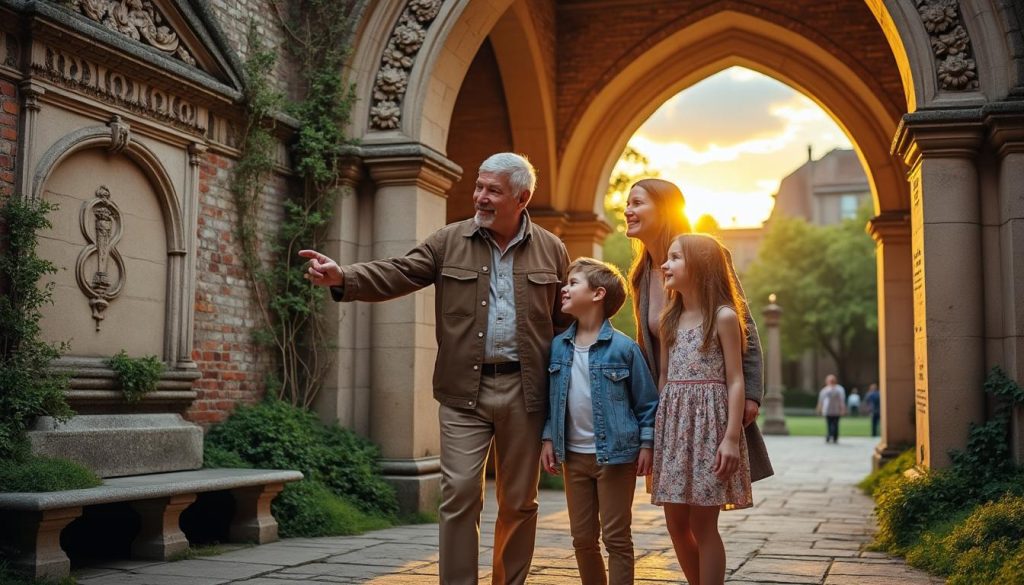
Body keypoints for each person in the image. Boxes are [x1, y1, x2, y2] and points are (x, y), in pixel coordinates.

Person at [299, 152, 570, 585]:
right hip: (464, 390)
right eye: (479, 186)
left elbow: (565, 324)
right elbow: (400, 271)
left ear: (523, 197)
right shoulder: (449, 240)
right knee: (460, 492)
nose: (480, 197)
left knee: (520, 501)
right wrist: (343, 277)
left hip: (526, 390)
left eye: (493, 190)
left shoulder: (552, 249)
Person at [622, 178, 772, 584]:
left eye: (637, 202)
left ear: (664, 209)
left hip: (712, 405)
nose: (627, 210)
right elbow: (653, 350)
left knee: (704, 519)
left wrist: (751, 394)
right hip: (673, 410)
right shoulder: (640, 276)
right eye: (627, 203)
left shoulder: (705, 255)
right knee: (674, 518)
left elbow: (744, 324)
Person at [540, 258, 659, 585]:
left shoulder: (624, 349)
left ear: (597, 294)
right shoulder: (557, 347)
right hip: (573, 458)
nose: (564, 288)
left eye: (573, 282)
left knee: (617, 538)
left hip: (617, 458)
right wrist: (549, 439)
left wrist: (647, 444)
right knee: (582, 538)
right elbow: (551, 401)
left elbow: (647, 403)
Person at [651, 233, 753, 585]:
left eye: (675, 258)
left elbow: (736, 379)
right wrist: (658, 437)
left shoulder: (723, 316)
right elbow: (664, 379)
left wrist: (730, 437)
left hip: (710, 427)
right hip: (674, 428)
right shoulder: (669, 319)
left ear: (701, 265)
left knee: (703, 524)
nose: (665, 264)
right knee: (675, 523)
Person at [816, 374, 847, 443]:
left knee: (835, 424)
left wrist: (842, 409)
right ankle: (830, 435)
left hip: (836, 410)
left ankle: (833, 436)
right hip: (828, 410)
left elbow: (842, 400)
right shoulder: (825, 390)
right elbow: (821, 401)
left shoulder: (839, 389)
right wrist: (819, 409)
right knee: (829, 424)